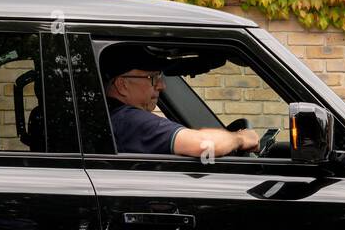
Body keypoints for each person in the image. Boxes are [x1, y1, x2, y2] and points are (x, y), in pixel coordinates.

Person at [100, 44, 260, 157]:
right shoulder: (129, 120)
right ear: (122, 85)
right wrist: (240, 138)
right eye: (152, 78)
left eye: (160, 77)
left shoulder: (111, 117)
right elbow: (204, 145)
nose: (161, 86)